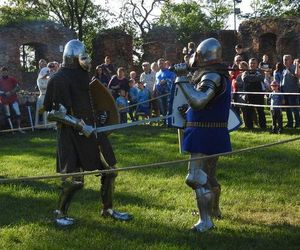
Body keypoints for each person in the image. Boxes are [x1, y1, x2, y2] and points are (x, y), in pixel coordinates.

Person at [43, 39, 132, 226]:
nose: (87, 60)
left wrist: (100, 116)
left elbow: (91, 101)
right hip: (72, 135)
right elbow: (54, 114)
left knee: (109, 171)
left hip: (93, 133)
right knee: (76, 181)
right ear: (73, 58)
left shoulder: (84, 76)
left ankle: (107, 209)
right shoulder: (59, 79)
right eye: (82, 56)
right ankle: (60, 213)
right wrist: (80, 125)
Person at [174, 38, 232, 232]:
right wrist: (187, 112)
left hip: (204, 133)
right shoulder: (214, 75)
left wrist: (181, 78)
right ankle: (213, 211)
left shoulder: (212, 76)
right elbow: (206, 105)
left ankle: (205, 220)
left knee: (195, 177)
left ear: (201, 56)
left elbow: (199, 101)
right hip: (211, 131)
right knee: (209, 176)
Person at [242, 58, 266, 129]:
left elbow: (261, 78)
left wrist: (251, 79)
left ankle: (263, 126)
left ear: (257, 64)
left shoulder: (261, 72)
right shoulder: (245, 73)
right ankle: (249, 126)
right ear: (249, 65)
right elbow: (245, 79)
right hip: (249, 95)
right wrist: (255, 78)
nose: (252, 65)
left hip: (259, 94)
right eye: (251, 63)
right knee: (249, 111)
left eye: (254, 63)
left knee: (260, 111)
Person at [0, 66, 24, 133]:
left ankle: (19, 128)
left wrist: (11, 92)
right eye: (3, 72)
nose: (4, 73)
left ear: (7, 72)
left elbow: (17, 87)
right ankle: (11, 130)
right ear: (1, 73)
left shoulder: (12, 79)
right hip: (4, 100)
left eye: (5, 71)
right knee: (8, 115)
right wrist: (4, 93)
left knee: (18, 114)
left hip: (13, 99)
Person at [280, 55, 300, 128]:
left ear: (291, 60)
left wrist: (297, 65)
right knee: (287, 109)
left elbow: (297, 75)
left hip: (292, 92)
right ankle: (290, 123)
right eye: (284, 60)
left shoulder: (294, 68)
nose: (284, 61)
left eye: (286, 59)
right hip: (285, 93)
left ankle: (298, 123)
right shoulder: (284, 70)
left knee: (294, 109)